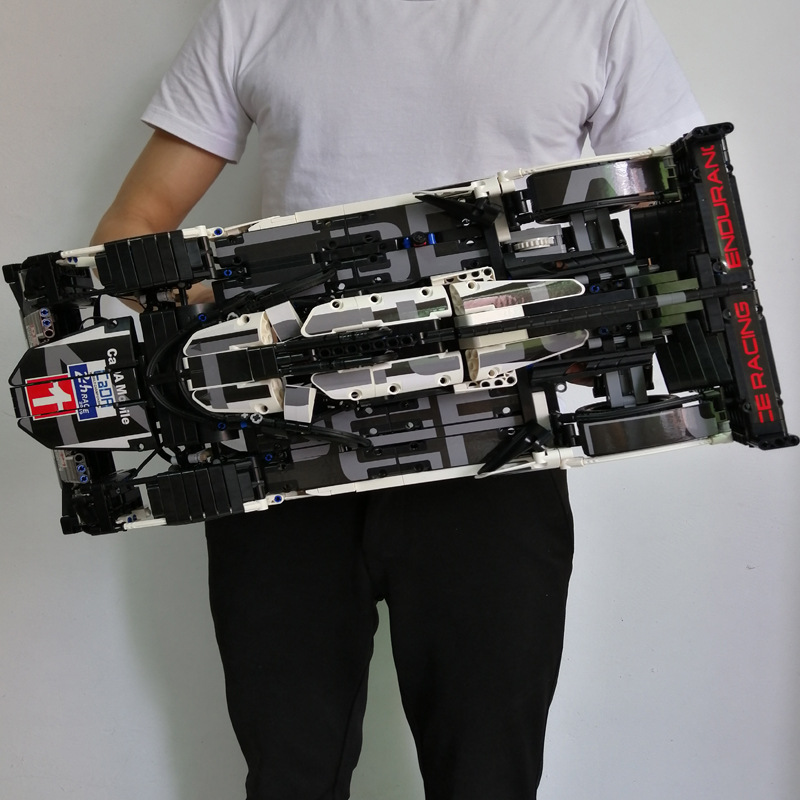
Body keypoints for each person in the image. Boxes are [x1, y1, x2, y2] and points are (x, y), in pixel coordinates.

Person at [91, 2, 704, 798]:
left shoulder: (593, 15)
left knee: (488, 779)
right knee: (290, 779)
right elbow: (130, 231)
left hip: (497, 457)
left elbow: (684, 214)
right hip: (283, 460)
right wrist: (259, 318)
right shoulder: (255, 14)